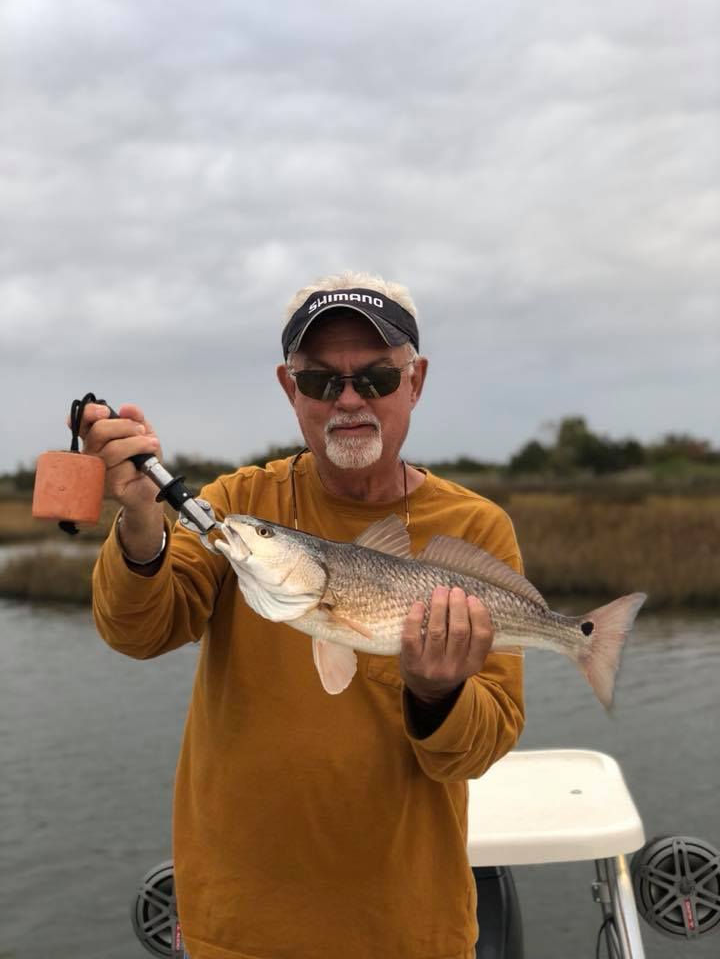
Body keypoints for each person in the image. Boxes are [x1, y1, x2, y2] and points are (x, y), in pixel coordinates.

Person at [85, 271, 525, 959]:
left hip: (409, 930)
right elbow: (138, 631)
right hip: (237, 927)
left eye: (377, 377)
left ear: (416, 381)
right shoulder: (238, 505)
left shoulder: (476, 529)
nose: (348, 400)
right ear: (290, 390)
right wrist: (142, 521)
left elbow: (481, 746)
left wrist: (437, 694)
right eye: (319, 381)